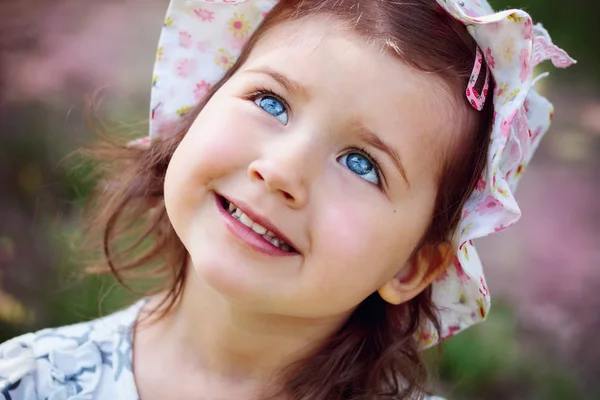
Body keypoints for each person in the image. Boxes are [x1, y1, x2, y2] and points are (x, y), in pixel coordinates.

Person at [0, 0, 575, 399]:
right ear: (196, 105)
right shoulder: (29, 382)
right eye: (271, 103)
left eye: (362, 165)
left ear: (413, 265)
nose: (280, 172)